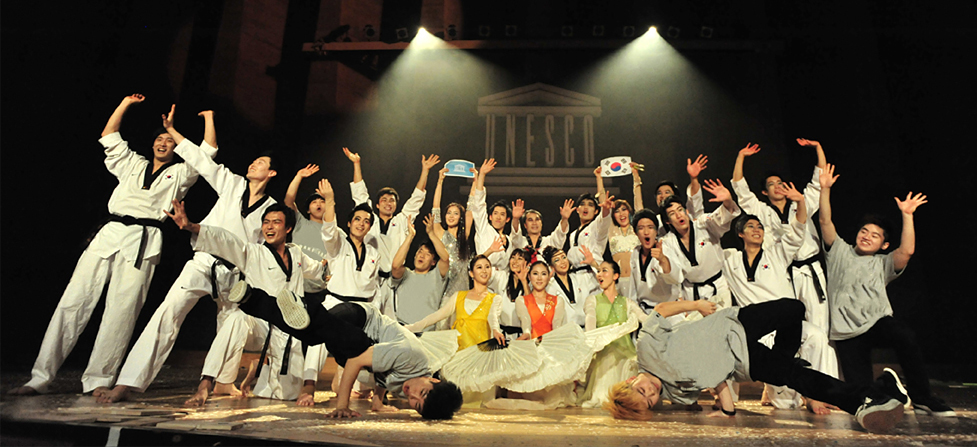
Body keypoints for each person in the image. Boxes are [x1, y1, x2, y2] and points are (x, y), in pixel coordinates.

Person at [10, 96, 212, 396]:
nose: (163, 143)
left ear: (176, 147)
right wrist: (124, 104)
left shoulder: (181, 174)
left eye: (169, 140)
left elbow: (207, 153)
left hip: (144, 240)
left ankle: (98, 380)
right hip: (110, 233)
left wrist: (204, 119)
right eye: (159, 138)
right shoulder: (133, 163)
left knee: (121, 313)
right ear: (152, 143)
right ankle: (40, 377)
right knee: (72, 303)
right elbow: (109, 135)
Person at [93, 105, 277, 404]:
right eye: (254, 160)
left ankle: (222, 382)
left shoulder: (272, 209)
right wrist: (172, 130)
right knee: (168, 311)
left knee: (230, 323)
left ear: (271, 173)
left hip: (235, 273)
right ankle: (128, 382)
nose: (254, 163)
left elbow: (263, 247)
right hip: (203, 261)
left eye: (261, 163)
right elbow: (200, 160)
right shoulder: (232, 183)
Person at [604, 298, 909, 434]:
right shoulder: (677, 395)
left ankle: (786, 362)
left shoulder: (646, 348)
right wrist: (723, 411)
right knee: (798, 377)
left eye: (642, 391)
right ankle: (865, 400)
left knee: (794, 308)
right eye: (650, 402)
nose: (652, 393)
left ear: (631, 380)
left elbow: (660, 310)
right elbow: (715, 382)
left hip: (734, 323)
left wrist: (696, 305)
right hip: (744, 363)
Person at [818, 164, 954, 417]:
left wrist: (907, 215)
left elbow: (907, 251)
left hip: (877, 321)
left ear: (884, 244)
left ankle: (922, 397)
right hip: (847, 332)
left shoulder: (883, 263)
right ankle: (887, 385)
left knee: (905, 336)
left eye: (875, 235)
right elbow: (825, 220)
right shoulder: (839, 251)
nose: (867, 236)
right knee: (863, 396)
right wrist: (824, 189)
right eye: (864, 231)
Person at [163, 201, 326, 406]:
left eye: (276, 222)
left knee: (287, 395)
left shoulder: (296, 253)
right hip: (258, 325)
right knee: (236, 318)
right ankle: (205, 384)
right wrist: (192, 227)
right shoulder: (253, 252)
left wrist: (329, 272)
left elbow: (318, 271)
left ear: (288, 228)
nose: (269, 227)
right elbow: (226, 240)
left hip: (286, 329)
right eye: (266, 222)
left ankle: (261, 367)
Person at [721, 182, 837, 414]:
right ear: (740, 233)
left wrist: (801, 201)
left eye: (760, 227)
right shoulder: (729, 259)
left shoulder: (777, 253)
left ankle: (820, 393)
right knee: (785, 405)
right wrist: (726, 201)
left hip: (786, 325)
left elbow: (797, 229)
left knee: (816, 337)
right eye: (750, 226)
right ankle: (782, 392)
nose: (757, 230)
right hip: (758, 331)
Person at [731, 139, 829, 331]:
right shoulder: (762, 211)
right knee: (791, 324)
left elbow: (819, 181)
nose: (777, 186)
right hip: (783, 272)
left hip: (809, 269)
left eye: (780, 183)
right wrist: (741, 156)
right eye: (771, 184)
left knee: (819, 324)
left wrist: (818, 147)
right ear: (764, 191)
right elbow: (740, 190)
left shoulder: (801, 202)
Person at [660, 177, 741, 316]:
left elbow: (720, 218)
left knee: (723, 324)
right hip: (692, 292)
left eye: (680, 209)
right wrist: (663, 260)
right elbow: (674, 276)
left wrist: (727, 201)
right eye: (672, 214)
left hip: (718, 287)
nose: (679, 215)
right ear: (668, 221)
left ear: (686, 211)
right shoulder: (667, 242)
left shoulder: (703, 224)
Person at [577, 260, 644, 408]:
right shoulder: (593, 300)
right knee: (609, 358)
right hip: (603, 350)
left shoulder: (627, 302)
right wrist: (592, 343)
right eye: (598, 271)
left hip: (626, 352)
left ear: (615, 276)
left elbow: (644, 319)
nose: (599, 274)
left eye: (604, 270)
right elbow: (590, 320)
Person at [405, 256, 504, 349]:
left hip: (480, 354)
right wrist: (413, 328)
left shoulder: (495, 298)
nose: (484, 270)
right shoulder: (459, 296)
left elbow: (492, 316)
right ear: (471, 273)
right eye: (479, 267)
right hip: (460, 353)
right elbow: (438, 315)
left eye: (487, 267)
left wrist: (495, 330)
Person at [389, 215, 450, 330]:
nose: (422, 255)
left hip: (426, 332)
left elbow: (445, 258)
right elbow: (395, 266)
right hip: (402, 329)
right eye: (420, 251)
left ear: (433, 262)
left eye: (428, 254)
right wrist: (410, 236)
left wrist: (431, 233)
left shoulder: (437, 276)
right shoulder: (406, 274)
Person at [468, 159, 519, 293]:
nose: (498, 217)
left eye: (502, 214)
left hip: (505, 283)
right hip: (485, 279)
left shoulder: (509, 240)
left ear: (507, 219)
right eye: (495, 213)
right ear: (490, 217)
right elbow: (479, 205)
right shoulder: (484, 228)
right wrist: (482, 176)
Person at [283, 163, 331, 301]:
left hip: (319, 291)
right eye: (314, 202)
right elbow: (288, 200)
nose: (318, 204)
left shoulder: (336, 233)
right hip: (295, 286)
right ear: (308, 210)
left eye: (322, 201)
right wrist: (299, 176)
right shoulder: (300, 223)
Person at [625, 210, 681, 316]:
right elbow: (633, 287)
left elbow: (675, 278)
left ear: (656, 231)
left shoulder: (665, 249)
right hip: (644, 311)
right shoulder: (636, 252)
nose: (646, 232)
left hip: (668, 311)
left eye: (650, 227)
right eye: (641, 228)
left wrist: (662, 259)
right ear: (635, 232)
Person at [430, 167, 474, 298]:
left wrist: (475, 182)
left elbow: (471, 207)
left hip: (463, 292)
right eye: (449, 213)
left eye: (455, 213)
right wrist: (440, 181)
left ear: (460, 217)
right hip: (444, 292)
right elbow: (436, 208)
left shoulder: (464, 236)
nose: (451, 216)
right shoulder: (441, 233)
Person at [606, 162, 644, 298]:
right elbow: (604, 207)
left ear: (629, 211)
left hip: (637, 281)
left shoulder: (637, 229)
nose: (621, 214)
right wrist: (599, 178)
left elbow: (638, 204)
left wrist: (636, 177)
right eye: (617, 211)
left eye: (624, 209)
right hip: (618, 282)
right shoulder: (611, 231)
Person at [543, 246, 600, 328]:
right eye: (557, 260)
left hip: (588, 328)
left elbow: (604, 279)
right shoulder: (549, 286)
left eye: (564, 257)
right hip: (566, 332)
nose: (562, 262)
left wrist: (593, 263)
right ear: (551, 266)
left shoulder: (580, 277)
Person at [509, 198, 575, 263]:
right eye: (530, 220)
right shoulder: (520, 242)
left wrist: (564, 219)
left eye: (537, 219)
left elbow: (560, 233)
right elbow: (515, 234)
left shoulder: (550, 241)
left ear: (541, 224)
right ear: (525, 225)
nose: (534, 223)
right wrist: (515, 219)